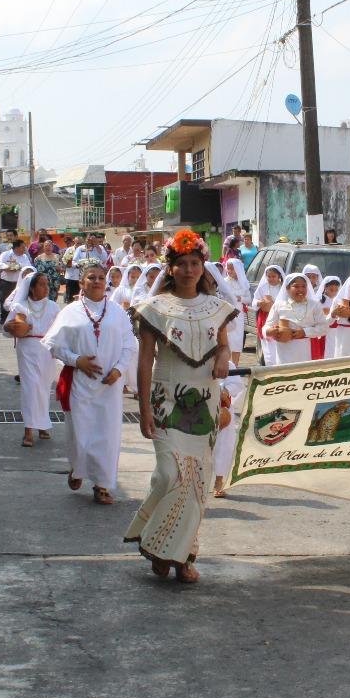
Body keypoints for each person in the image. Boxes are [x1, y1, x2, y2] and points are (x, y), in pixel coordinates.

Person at [125, 230, 236, 583]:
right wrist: (144, 409)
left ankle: (184, 555)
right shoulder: (153, 308)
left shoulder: (217, 308)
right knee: (169, 474)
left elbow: (225, 346)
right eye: (182, 264)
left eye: (195, 263)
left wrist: (223, 357)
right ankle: (157, 542)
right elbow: (145, 361)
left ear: (204, 267)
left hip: (205, 399)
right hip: (165, 398)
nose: (189, 270)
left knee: (197, 481)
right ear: (170, 269)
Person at [44, 260, 137, 504]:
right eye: (91, 277)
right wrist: (77, 361)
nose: (96, 281)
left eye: (100, 277)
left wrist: (119, 370)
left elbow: (129, 344)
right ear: (82, 283)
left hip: (110, 386)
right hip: (81, 384)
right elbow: (54, 344)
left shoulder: (117, 311)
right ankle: (77, 468)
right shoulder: (70, 312)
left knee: (107, 434)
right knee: (80, 432)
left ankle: (102, 485)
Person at [4, 272, 61, 447]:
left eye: (47, 284)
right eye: (42, 284)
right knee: (30, 388)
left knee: (43, 389)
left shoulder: (53, 307)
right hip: (27, 348)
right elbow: (6, 329)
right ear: (32, 288)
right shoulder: (19, 306)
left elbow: (61, 331)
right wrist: (11, 326)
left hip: (47, 350)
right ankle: (28, 429)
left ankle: (42, 424)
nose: (46, 288)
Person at [264, 273, 329, 365]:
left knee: (305, 376)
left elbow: (324, 327)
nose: (300, 290)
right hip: (284, 351)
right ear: (287, 288)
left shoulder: (314, 305)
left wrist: (304, 332)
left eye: (303, 286)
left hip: (307, 350)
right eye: (296, 286)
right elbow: (266, 326)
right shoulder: (279, 305)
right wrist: (270, 331)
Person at [211, 375, 246, 499]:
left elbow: (237, 384)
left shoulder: (225, 361)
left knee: (222, 446)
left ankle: (219, 482)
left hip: (221, 409)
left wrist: (226, 391)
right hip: (197, 407)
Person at [251, 264, 285, 365]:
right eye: (269, 276)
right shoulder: (263, 287)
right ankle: (270, 365)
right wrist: (259, 303)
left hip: (280, 319)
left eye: (273, 276)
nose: (271, 279)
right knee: (268, 347)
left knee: (278, 344)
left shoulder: (284, 288)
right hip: (265, 318)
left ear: (279, 277)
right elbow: (254, 301)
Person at [0, 239, 32, 324]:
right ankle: (4, 317)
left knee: (18, 300)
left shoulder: (24, 257)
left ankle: (16, 317)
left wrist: (19, 266)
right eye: (22, 248)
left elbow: (28, 267)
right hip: (6, 281)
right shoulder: (5, 254)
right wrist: (7, 267)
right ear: (16, 248)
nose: (24, 250)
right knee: (4, 300)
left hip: (19, 283)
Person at [222, 258, 250, 365]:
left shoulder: (244, 283)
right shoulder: (224, 282)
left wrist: (240, 298)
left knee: (237, 340)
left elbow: (249, 299)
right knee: (227, 339)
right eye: (228, 268)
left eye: (232, 269)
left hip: (239, 315)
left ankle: (235, 366)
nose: (229, 271)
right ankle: (227, 365)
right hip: (227, 314)